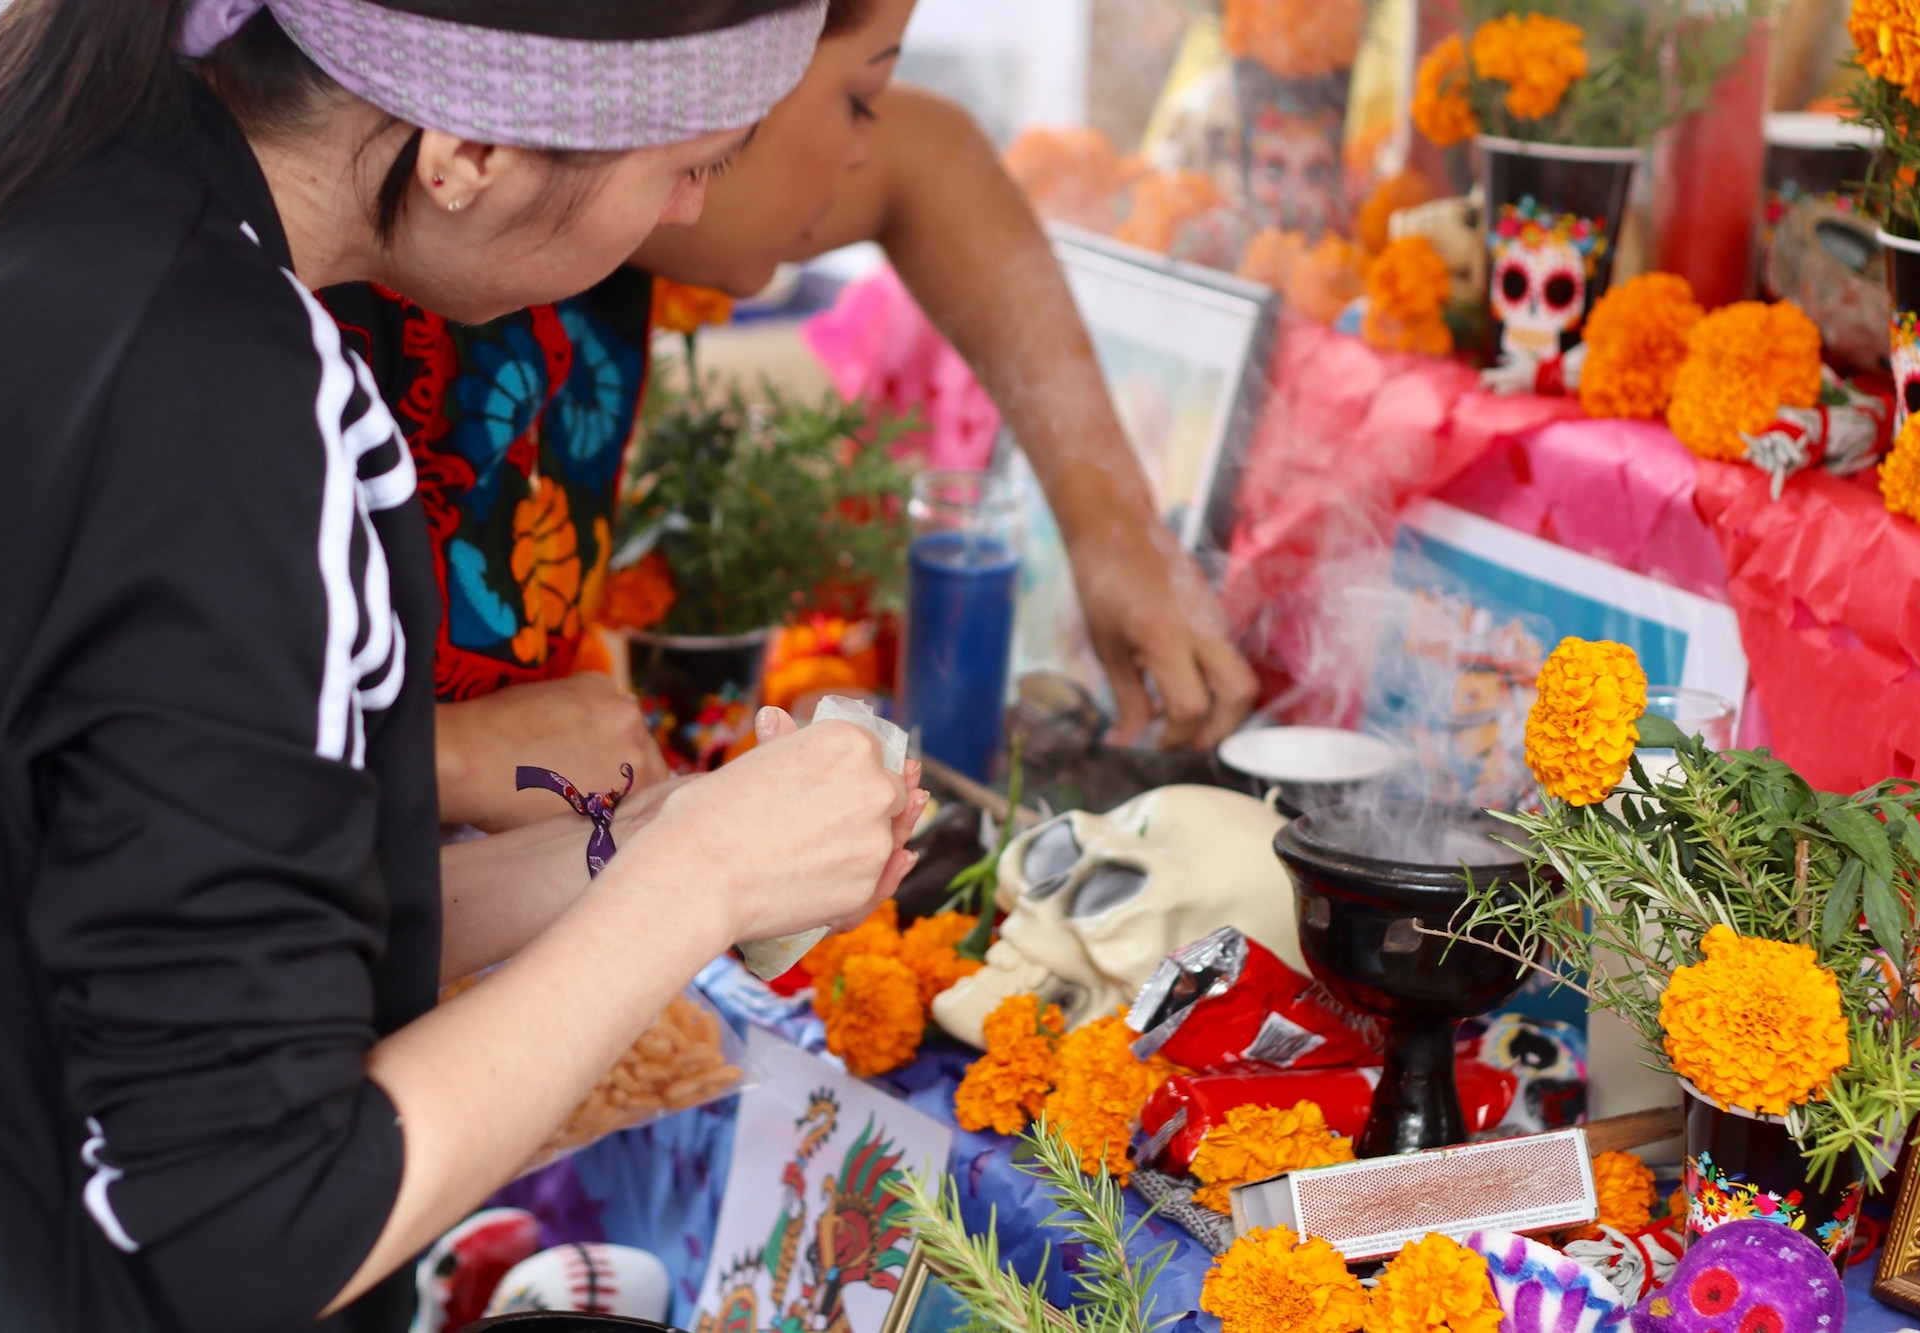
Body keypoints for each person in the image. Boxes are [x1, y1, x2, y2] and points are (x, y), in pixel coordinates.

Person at [0, 2, 925, 1331]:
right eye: (682, 163)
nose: (693, 209)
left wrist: (648, 842)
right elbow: (247, 1219)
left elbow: (159, 911)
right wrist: (705, 885)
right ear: (469, 147)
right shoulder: (220, 411)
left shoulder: (70, 201)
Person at [331, 0, 1261, 835]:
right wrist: (444, 757)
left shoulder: (552, 213)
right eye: (858, 101)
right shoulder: (285, 322)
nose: (868, 150)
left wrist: (1113, 530)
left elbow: (934, 162)